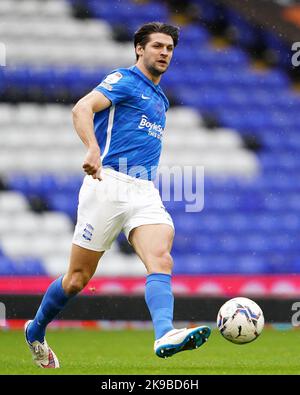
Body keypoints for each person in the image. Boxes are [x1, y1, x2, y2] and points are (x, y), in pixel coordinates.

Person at [24, 21, 211, 368]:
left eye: (169, 48)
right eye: (157, 46)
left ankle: (164, 333)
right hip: (106, 184)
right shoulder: (124, 81)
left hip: (143, 190)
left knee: (161, 258)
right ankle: (35, 330)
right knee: (77, 279)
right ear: (139, 48)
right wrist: (92, 148)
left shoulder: (161, 99)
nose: (164, 53)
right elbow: (82, 108)